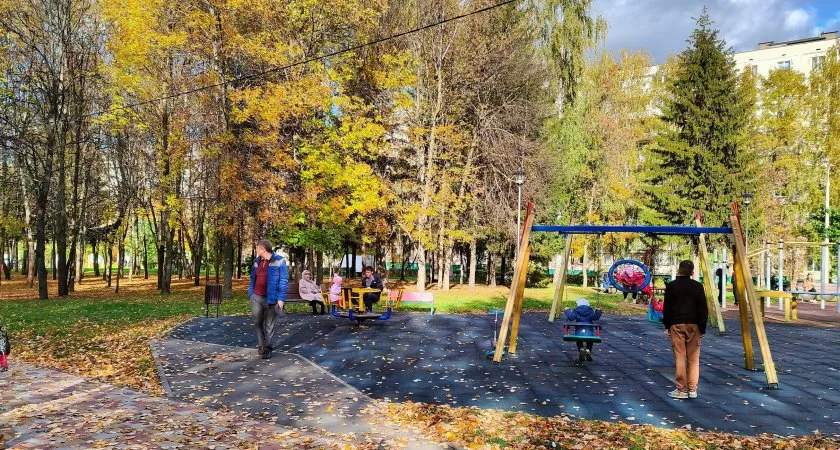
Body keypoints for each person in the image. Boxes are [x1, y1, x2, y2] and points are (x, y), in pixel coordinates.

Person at [663, 260, 708, 399]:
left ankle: (681, 389)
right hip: (694, 324)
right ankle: (693, 389)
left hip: (676, 324)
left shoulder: (672, 286)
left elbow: (667, 307)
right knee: (694, 358)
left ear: (679, 270)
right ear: (692, 272)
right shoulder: (698, 286)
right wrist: (702, 328)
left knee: (680, 357)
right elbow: (703, 308)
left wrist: (667, 325)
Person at [247, 240, 288, 360]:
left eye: (257, 248)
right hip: (256, 297)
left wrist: (281, 299)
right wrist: (251, 292)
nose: (256, 250)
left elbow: (283, 281)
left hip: (272, 298)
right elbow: (252, 278)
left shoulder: (279, 261)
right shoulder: (257, 262)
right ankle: (261, 345)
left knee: (269, 325)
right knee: (257, 322)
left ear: (263, 249)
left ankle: (268, 348)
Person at [564, 298, 603, 363]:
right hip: (589, 332)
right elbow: (596, 317)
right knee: (590, 340)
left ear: (578, 305)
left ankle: (581, 349)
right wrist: (598, 311)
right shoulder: (590, 311)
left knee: (579, 340)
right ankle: (588, 350)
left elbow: (570, 318)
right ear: (587, 305)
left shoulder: (576, 311)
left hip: (579, 331)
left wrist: (567, 310)